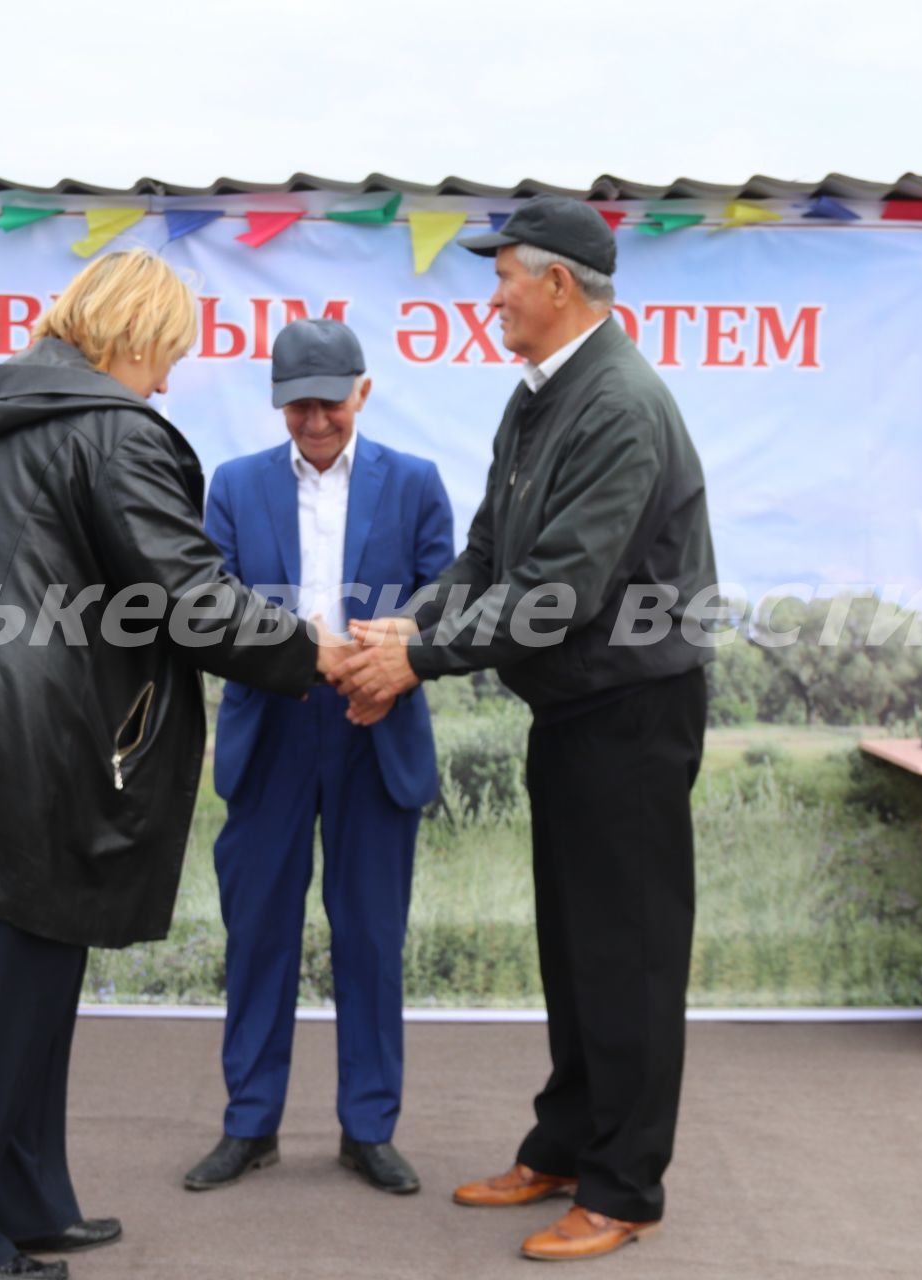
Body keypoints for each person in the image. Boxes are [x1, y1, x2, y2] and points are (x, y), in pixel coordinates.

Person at [0, 249, 346, 1280]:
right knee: (7, 995)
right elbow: (189, 595)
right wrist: (319, 652)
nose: (165, 380)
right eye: (164, 355)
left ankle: (29, 1195)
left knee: (30, 978)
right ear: (126, 336)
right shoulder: (113, 430)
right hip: (31, 742)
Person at [332, 195, 717, 1262]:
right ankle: (564, 1143)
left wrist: (412, 659)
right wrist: (407, 626)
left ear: (558, 284)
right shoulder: (540, 395)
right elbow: (488, 559)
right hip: (578, 710)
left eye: (503, 273)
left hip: (632, 713)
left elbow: (556, 594)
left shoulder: (618, 405)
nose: (491, 291)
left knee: (629, 957)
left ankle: (625, 1186)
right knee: (577, 947)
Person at [183, 319, 455, 1196]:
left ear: (363, 392)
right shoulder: (232, 486)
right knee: (259, 932)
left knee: (371, 937)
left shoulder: (415, 485)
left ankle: (368, 1128)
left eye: (330, 401)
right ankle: (249, 1124)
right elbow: (213, 614)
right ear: (277, 404)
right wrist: (303, 652)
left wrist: (395, 670)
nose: (316, 420)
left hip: (376, 730)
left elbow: (444, 605)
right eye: (298, 404)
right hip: (271, 730)